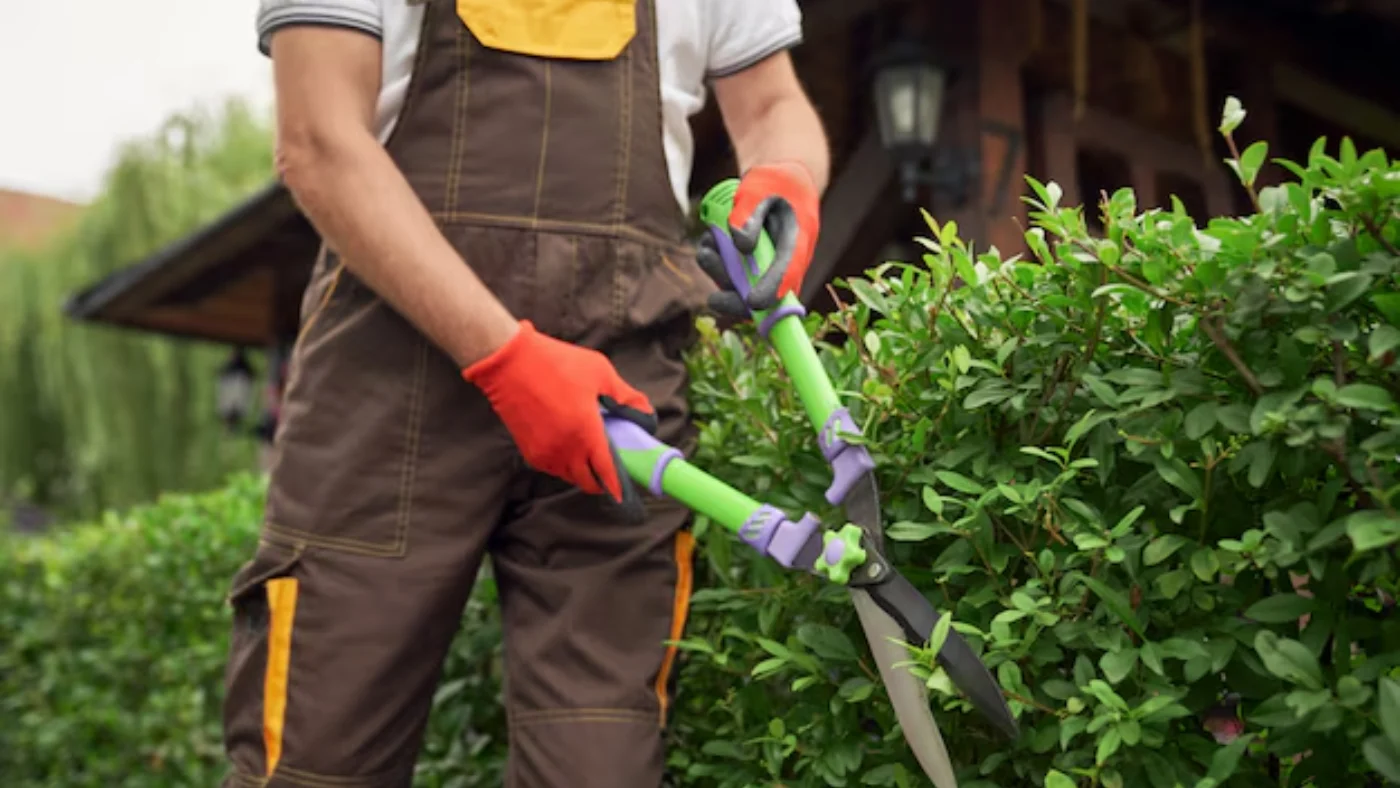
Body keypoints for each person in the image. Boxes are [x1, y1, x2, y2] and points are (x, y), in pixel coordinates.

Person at [220, 0, 829, 785]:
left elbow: (773, 103)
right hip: (387, 393)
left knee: (600, 765)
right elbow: (318, 141)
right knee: (317, 760)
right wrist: (506, 361)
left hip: (619, 405)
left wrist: (787, 175)